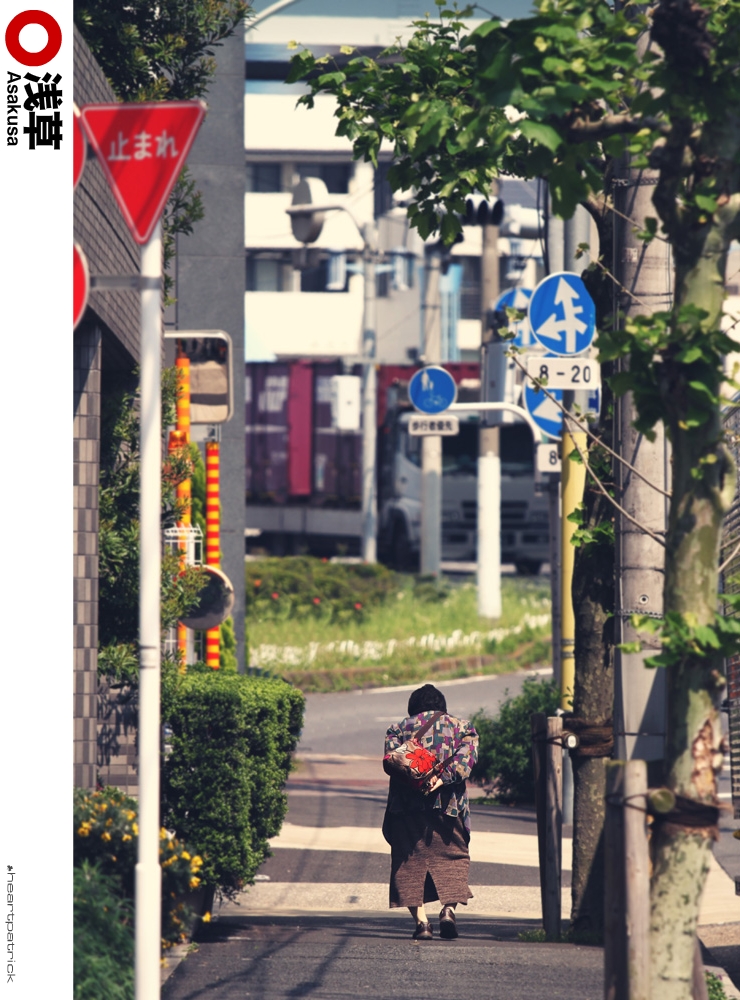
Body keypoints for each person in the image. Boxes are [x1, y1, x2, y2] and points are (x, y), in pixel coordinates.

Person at [382, 683, 479, 940]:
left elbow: (391, 762)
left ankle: (422, 924)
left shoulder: (398, 729)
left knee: (408, 863)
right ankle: (448, 910)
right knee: (454, 858)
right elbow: (467, 760)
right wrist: (443, 777)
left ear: (413, 707)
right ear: (442, 707)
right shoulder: (462, 727)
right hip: (448, 806)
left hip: (406, 807)